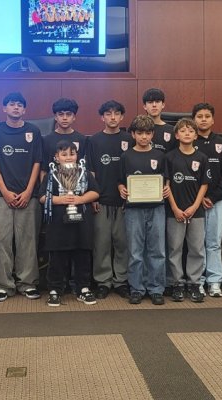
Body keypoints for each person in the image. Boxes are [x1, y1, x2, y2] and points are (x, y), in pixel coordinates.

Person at [0, 92, 43, 302]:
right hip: (1, 196)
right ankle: (3, 285)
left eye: (20, 104)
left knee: (27, 241)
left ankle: (27, 283)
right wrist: (4, 191)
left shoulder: (33, 131)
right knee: (0, 241)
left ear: (24, 109)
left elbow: (38, 162)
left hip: (29, 195)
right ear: (4, 108)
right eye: (12, 104)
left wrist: (29, 191)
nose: (16, 108)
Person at [40, 141, 100, 306]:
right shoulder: (51, 176)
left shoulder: (85, 174)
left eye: (72, 154)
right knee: (57, 259)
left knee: (82, 257)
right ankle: (55, 290)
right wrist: (60, 199)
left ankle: (83, 289)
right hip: (58, 225)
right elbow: (42, 197)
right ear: (56, 157)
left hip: (81, 224)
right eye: (64, 154)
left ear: (77, 156)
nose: (68, 157)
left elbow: (95, 192)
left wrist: (81, 199)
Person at [119, 115, 171, 305]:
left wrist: (166, 187)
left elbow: (166, 178)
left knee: (157, 250)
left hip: (157, 207)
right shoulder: (126, 156)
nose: (143, 137)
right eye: (139, 133)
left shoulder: (159, 155)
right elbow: (120, 180)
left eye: (147, 133)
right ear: (132, 134)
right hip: (133, 209)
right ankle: (137, 288)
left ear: (152, 135)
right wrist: (121, 189)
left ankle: (156, 288)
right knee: (135, 251)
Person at [86, 100, 132, 299]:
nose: (112, 117)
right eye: (108, 113)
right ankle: (103, 281)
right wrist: (93, 195)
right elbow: (91, 171)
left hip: (125, 202)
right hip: (101, 201)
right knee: (102, 244)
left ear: (122, 117)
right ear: (102, 117)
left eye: (116, 113)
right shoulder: (94, 141)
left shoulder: (129, 139)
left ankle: (121, 280)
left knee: (123, 243)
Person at [192, 103, 222, 297]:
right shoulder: (189, 141)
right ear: (194, 119)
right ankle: (197, 280)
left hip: (217, 201)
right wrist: (199, 199)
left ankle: (215, 281)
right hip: (195, 203)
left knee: (214, 242)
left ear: (213, 119)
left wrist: (214, 196)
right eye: (199, 116)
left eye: (207, 116)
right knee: (196, 243)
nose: (203, 119)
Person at [165, 118, 208, 303]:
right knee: (175, 248)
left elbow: (204, 185)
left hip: (195, 212)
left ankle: (194, 283)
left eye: (191, 130)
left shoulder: (202, 158)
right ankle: (177, 284)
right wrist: (175, 208)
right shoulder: (170, 157)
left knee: (197, 248)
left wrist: (194, 206)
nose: (187, 133)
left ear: (196, 135)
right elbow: (167, 186)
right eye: (183, 131)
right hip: (174, 211)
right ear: (176, 135)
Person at [42, 98, 87, 174]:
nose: (65, 118)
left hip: (76, 184)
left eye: (68, 114)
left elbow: (84, 168)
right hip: (54, 184)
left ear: (74, 117)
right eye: (61, 114)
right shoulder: (46, 140)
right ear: (55, 117)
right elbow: (44, 169)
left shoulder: (82, 139)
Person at [142, 88, 177, 153]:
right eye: (150, 102)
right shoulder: (137, 128)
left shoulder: (172, 130)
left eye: (157, 102)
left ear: (163, 105)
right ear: (144, 106)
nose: (154, 105)